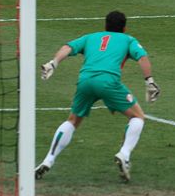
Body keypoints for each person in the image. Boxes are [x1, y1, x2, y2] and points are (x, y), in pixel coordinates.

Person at [35, 11, 161, 183]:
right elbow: (142, 57)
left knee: (73, 120)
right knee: (138, 116)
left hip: (85, 81)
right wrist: (149, 81)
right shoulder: (128, 39)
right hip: (108, 81)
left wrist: (53, 63)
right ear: (124, 27)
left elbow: (68, 48)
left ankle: (48, 160)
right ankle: (124, 154)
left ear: (105, 25)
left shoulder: (90, 37)